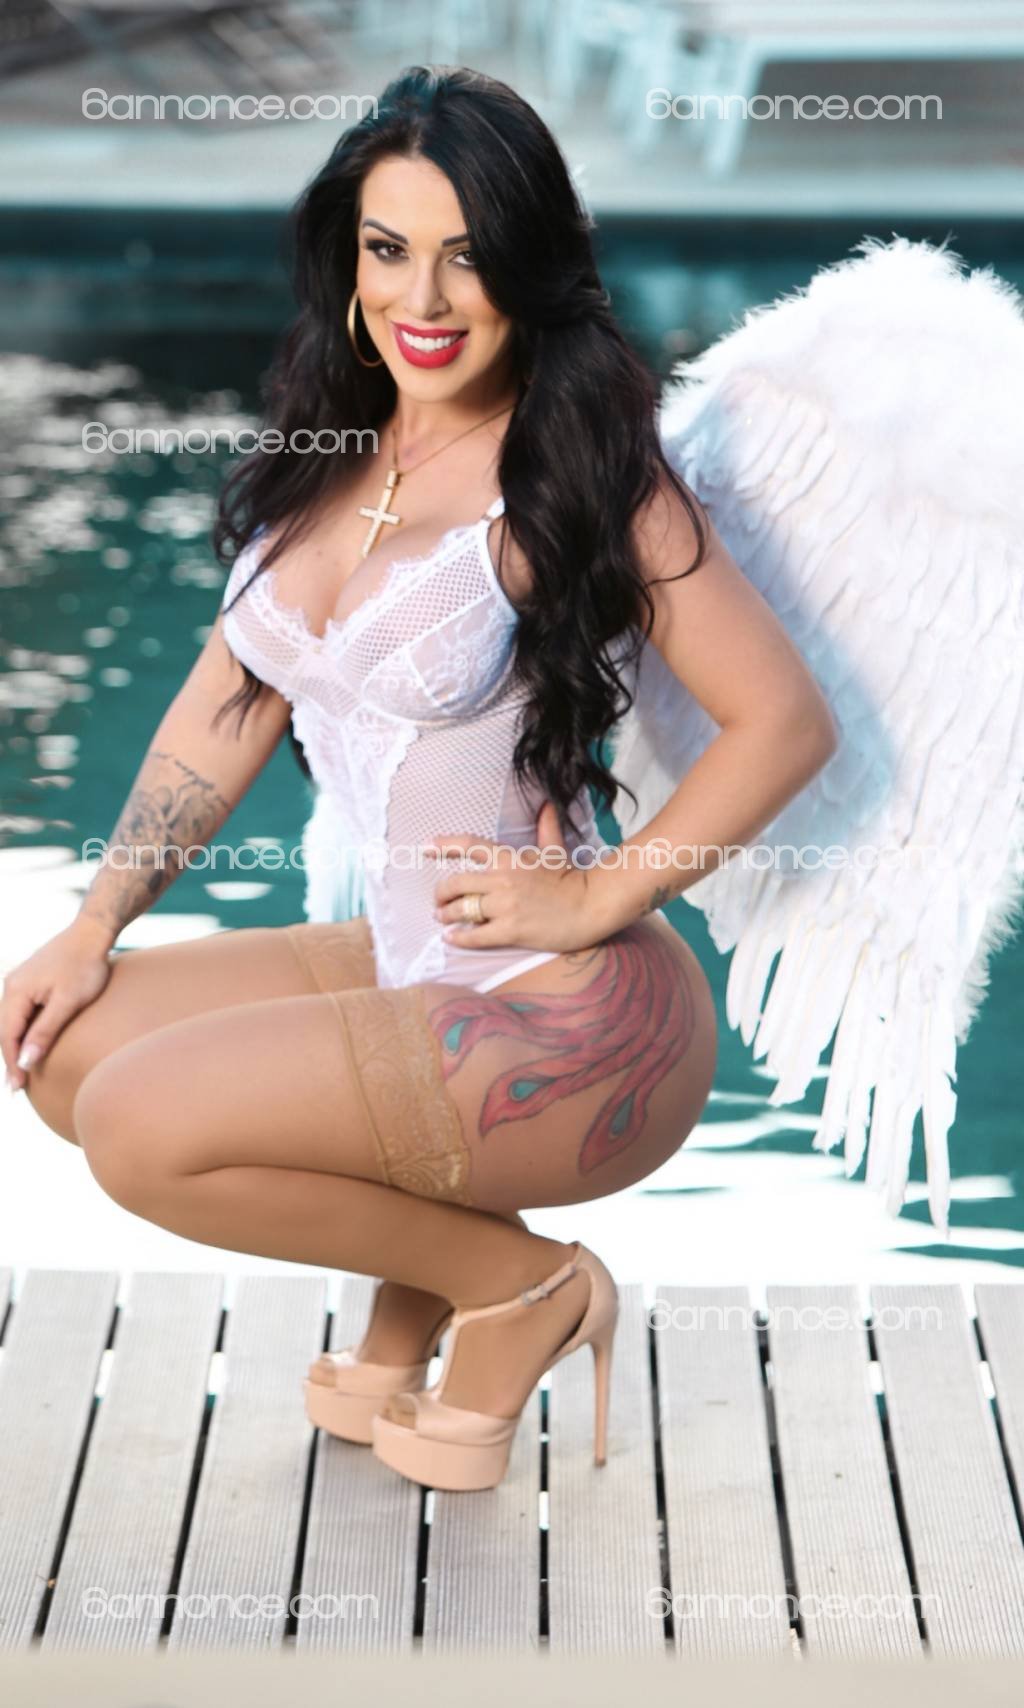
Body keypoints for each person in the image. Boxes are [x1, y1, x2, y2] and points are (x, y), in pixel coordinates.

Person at [0, 66, 836, 1492]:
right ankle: (438, 1287)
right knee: (65, 1053)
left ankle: (519, 1292)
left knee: (141, 1128)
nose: (424, 298)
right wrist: (94, 924)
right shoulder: (327, 456)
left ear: (531, 267)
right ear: (349, 258)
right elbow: (222, 710)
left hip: (564, 1017)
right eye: (389, 249)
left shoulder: (582, 477)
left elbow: (785, 723)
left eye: (468, 255)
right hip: (412, 965)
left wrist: (599, 901)